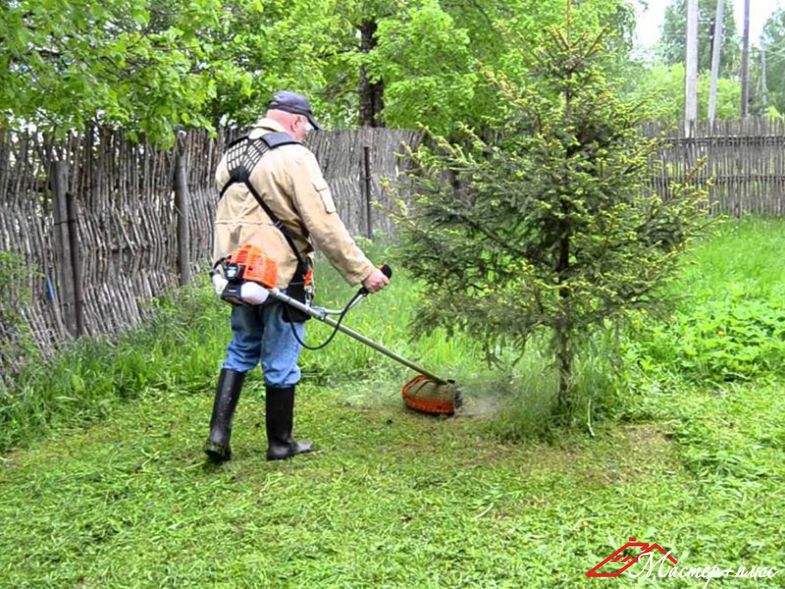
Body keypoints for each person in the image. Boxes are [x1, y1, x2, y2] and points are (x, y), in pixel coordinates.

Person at [205, 91, 389, 463]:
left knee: (241, 346)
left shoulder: (232, 154)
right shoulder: (294, 156)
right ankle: (280, 442)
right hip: (280, 274)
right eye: (306, 127)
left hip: (236, 272)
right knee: (281, 356)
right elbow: (324, 225)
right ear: (295, 120)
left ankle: (218, 435)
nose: (306, 134)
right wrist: (363, 272)